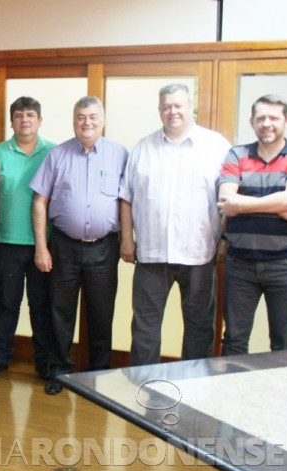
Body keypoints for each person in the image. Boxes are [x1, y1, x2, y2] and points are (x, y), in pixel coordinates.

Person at [120, 84, 231, 366]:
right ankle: (143, 386)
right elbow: (126, 198)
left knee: (199, 327)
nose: (173, 112)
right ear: (160, 110)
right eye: (167, 106)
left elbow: (229, 197)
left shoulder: (216, 146)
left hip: (199, 253)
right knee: (145, 327)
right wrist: (127, 239)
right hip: (152, 254)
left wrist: (224, 239)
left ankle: (195, 387)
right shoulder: (143, 148)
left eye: (178, 105)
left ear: (190, 107)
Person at [31, 96, 128, 395]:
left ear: (102, 119)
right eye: (81, 117)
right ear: (74, 121)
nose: (87, 122)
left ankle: (98, 374)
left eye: (92, 116)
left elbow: (126, 201)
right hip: (63, 246)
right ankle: (59, 370)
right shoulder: (57, 155)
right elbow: (39, 202)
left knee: (101, 311)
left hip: (104, 247)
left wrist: (128, 240)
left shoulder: (119, 154)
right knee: (60, 311)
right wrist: (41, 247)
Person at [218, 95, 287, 356]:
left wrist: (243, 204)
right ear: (252, 122)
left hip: (286, 265)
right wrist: (280, 205)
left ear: (286, 120)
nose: (267, 123)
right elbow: (227, 200)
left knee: (284, 344)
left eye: (274, 117)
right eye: (260, 117)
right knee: (234, 341)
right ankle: (230, 397)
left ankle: (280, 398)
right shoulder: (237, 154)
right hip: (239, 263)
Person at [0, 96, 55, 379]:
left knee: (41, 307)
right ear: (12, 121)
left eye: (30, 115)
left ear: (39, 120)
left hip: (42, 245)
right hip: (6, 243)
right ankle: (0, 357)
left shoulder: (54, 152)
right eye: (19, 115)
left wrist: (46, 245)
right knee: (6, 305)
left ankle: (44, 362)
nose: (25, 120)